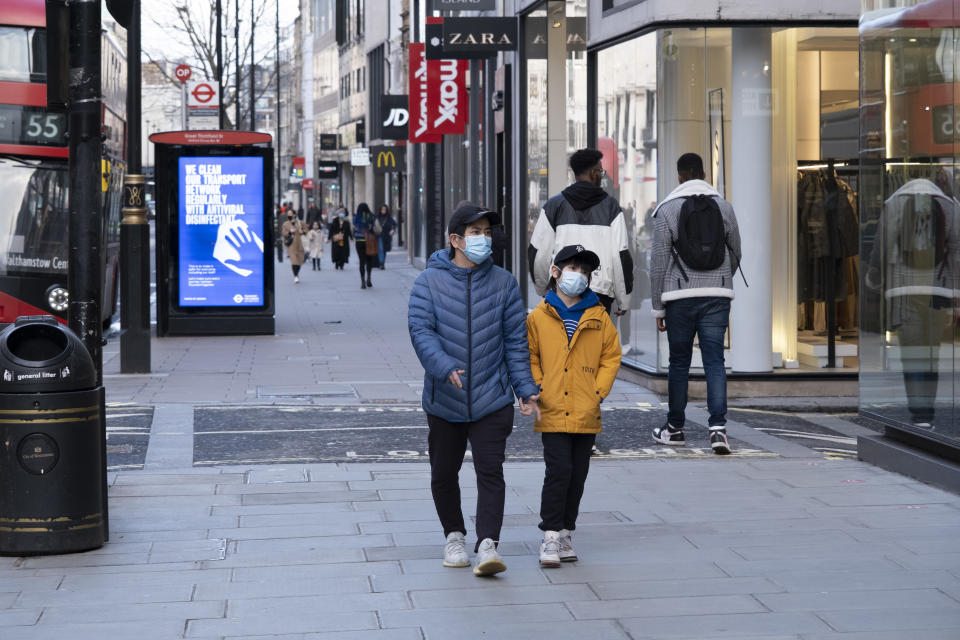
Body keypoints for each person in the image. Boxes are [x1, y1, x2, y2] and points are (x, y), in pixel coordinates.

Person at [408, 204, 541, 577]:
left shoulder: (503, 282)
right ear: (455, 239)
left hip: (492, 396)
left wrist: (525, 389)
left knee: (490, 470)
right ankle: (454, 536)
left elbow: (515, 342)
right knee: (443, 473)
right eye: (476, 231)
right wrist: (443, 365)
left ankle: (487, 545)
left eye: (487, 231)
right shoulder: (427, 283)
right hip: (444, 398)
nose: (484, 238)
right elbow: (421, 332)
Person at [526, 245, 621, 567]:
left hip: (586, 408)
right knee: (559, 471)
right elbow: (531, 355)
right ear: (555, 272)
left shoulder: (598, 316)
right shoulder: (539, 316)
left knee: (578, 473)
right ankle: (551, 534)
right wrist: (537, 386)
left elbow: (611, 355)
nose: (578, 276)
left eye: (585, 271)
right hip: (552, 406)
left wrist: (599, 391)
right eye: (572, 269)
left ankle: (566, 530)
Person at [648, 152, 742, 455]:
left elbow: (659, 262)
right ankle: (718, 431)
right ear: (703, 173)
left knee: (679, 363)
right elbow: (736, 250)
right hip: (717, 297)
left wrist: (657, 307)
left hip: (679, 298)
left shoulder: (667, 209)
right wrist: (721, 279)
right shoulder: (724, 207)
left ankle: (675, 428)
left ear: (679, 176)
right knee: (715, 361)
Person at [866, 176, 960, 430]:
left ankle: (919, 414)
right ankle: (927, 412)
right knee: (931, 354)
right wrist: (955, 293)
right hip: (937, 291)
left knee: (912, 355)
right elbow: (957, 251)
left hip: (903, 290)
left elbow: (881, 247)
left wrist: (874, 278)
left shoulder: (895, 201)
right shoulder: (950, 204)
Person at [528, 148, 634, 316]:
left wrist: (543, 288)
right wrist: (623, 300)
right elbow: (620, 257)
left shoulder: (554, 206)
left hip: (562, 291)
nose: (602, 175)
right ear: (593, 173)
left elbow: (538, 252)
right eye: (601, 171)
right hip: (600, 293)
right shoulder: (611, 208)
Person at [353, 202, 377, 289]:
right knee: (369, 261)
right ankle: (369, 279)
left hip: (359, 241)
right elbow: (375, 227)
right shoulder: (371, 216)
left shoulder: (356, 217)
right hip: (369, 241)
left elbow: (355, 227)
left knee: (361, 261)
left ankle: (362, 281)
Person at [281, 208, 309, 283]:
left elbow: (306, 231)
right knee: (294, 261)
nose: (289, 215)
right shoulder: (285, 224)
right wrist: (290, 232)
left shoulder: (300, 223)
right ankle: (296, 276)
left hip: (300, 244)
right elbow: (283, 233)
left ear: (294, 215)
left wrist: (302, 232)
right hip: (291, 245)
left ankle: (297, 273)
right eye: (288, 214)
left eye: (290, 213)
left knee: (299, 261)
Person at [375, 204, 397, 269]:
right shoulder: (377, 217)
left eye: (384, 209)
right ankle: (381, 263)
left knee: (384, 250)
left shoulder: (389, 218)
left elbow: (395, 224)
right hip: (379, 235)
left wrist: (392, 230)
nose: (383, 211)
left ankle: (382, 263)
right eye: (382, 209)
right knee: (380, 249)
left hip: (387, 236)